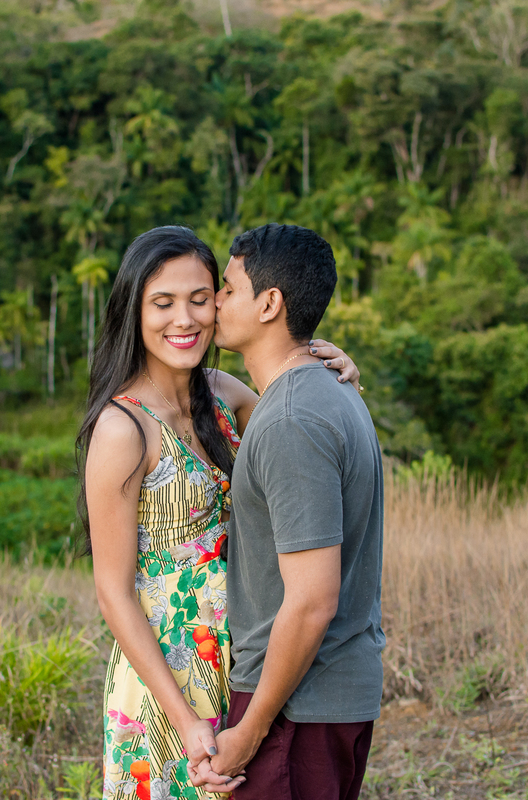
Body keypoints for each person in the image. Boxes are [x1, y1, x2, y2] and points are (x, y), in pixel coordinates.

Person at [78, 225, 362, 800]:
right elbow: (114, 592)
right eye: (162, 303)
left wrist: (336, 374)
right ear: (133, 310)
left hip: (243, 653)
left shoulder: (226, 393)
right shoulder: (122, 427)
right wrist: (184, 719)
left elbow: (299, 449)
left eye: (200, 298)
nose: (184, 319)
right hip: (169, 672)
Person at [190, 223, 385, 800]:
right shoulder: (331, 389)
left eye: (227, 288)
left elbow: (311, 599)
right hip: (325, 697)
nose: (214, 303)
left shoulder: (292, 418)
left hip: (297, 703)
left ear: (270, 303)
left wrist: (248, 733)